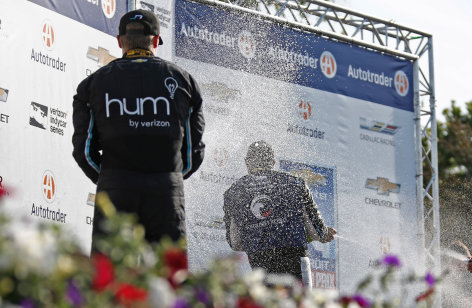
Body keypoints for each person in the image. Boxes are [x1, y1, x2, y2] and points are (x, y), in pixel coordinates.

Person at [72, 9, 205, 253]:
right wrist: (167, 178)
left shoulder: (92, 84)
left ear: (120, 41)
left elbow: (84, 152)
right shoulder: (184, 81)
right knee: (167, 279)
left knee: (110, 281)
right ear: (155, 41)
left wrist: (110, 180)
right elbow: (193, 153)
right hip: (166, 192)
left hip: (115, 191)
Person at [223, 141, 336, 285]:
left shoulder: (233, 192)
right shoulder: (295, 184)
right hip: (295, 263)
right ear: (272, 162)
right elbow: (316, 232)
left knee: (268, 307)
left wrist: (260, 238)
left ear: (247, 162)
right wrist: (324, 233)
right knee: (298, 306)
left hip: (260, 266)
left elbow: (235, 243)